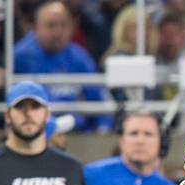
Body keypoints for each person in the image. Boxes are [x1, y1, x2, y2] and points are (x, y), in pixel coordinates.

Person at [14, 1, 112, 132]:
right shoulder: (19, 57)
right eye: (51, 25)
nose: (58, 32)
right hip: (33, 133)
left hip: (77, 134)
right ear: (35, 27)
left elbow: (100, 101)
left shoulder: (80, 57)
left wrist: (102, 130)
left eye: (63, 25)